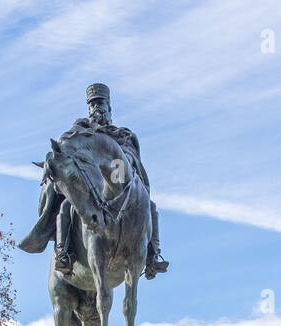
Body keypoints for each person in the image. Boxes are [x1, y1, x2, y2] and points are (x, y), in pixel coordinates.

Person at [18, 83, 169, 279]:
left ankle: (152, 255)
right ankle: (63, 253)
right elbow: (64, 147)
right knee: (66, 208)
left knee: (150, 206)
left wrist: (126, 160)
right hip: (87, 188)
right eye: (93, 106)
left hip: (119, 182)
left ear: (109, 108)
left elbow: (134, 161)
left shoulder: (124, 134)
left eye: (101, 105)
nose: (97, 110)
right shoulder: (81, 129)